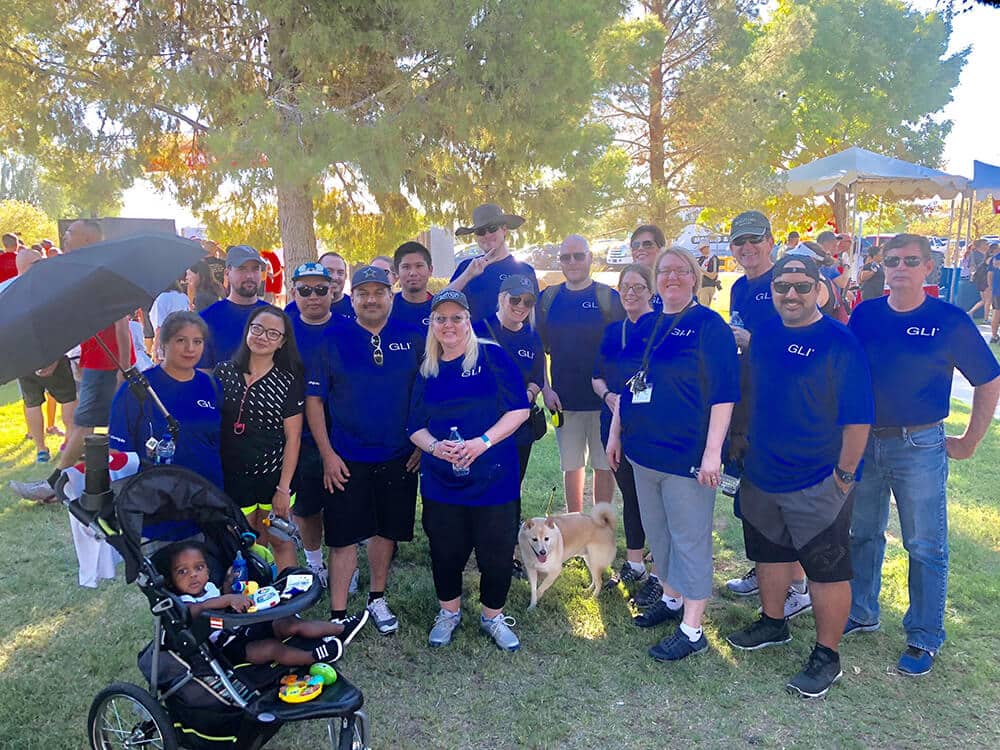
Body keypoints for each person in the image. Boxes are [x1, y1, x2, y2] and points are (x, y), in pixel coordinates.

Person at [847, 233, 1000, 676]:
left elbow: (988, 381)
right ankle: (862, 611)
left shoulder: (948, 319)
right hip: (867, 442)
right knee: (863, 533)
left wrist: (970, 440)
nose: (899, 268)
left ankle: (924, 635)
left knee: (924, 543)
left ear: (928, 268)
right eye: (891, 260)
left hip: (920, 445)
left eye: (910, 261)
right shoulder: (866, 314)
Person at [724, 255, 873, 698]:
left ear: (820, 290)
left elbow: (858, 419)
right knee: (767, 553)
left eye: (802, 286)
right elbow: (751, 389)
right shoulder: (765, 334)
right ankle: (773, 623)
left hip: (818, 480)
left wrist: (844, 477)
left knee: (827, 569)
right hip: (763, 474)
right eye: (782, 286)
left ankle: (828, 655)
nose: (791, 294)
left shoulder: (839, 342)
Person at [606, 247, 739, 661]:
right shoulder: (650, 323)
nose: (672, 278)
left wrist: (713, 452)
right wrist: (615, 432)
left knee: (689, 538)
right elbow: (632, 384)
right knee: (658, 534)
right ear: (656, 278)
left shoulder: (708, 326)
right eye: (665, 271)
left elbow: (723, 393)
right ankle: (671, 598)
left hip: (687, 456)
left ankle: (693, 628)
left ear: (695, 279)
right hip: (643, 452)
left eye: (682, 271)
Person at [407, 290, 529, 650]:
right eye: (440, 318)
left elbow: (518, 409)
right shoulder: (427, 367)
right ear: (432, 324)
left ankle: (493, 616)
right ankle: (449, 612)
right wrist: (435, 447)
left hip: (494, 477)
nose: (449, 325)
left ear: (468, 321)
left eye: (456, 317)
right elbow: (414, 425)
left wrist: (482, 443)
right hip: (443, 480)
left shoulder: (491, 355)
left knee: (495, 550)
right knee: (445, 549)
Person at [305, 266, 425, 633]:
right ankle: (338, 615)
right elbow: (313, 401)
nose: (371, 299)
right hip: (345, 458)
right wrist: (327, 454)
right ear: (351, 297)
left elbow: (427, 392)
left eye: (379, 292)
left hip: (399, 456)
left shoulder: (413, 336)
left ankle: (377, 598)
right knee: (341, 537)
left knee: (384, 532)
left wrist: (421, 441)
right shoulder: (332, 338)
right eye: (363, 293)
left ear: (392, 295)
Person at [11, 220, 138, 503]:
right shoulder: (85, 271)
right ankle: (103, 478)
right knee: (102, 424)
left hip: (109, 364)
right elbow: (74, 324)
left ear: (88, 239)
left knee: (84, 425)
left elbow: (121, 324)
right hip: (98, 362)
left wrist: (123, 368)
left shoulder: (102, 273)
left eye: (71, 233)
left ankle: (54, 485)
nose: (65, 236)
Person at [724, 211, 812, 619]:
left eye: (754, 240)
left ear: (771, 239)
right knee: (750, 496)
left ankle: (797, 584)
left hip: (782, 405)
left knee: (780, 500)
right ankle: (764, 570)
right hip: (746, 404)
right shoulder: (740, 287)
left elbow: (802, 341)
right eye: (739, 242)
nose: (747, 248)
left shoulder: (787, 280)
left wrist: (751, 341)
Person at [165, 541, 366, 667]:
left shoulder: (210, 587)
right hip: (228, 647)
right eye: (182, 571)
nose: (193, 575)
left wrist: (228, 586)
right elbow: (198, 610)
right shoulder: (184, 601)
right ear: (172, 580)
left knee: (287, 623)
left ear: (207, 571)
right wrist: (227, 599)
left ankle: (341, 628)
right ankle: (315, 657)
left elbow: (223, 601)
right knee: (273, 648)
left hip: (245, 625)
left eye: (198, 568)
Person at [537, 235, 624, 513]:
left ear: (590, 259)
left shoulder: (609, 298)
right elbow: (538, 349)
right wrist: (546, 389)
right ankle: (575, 523)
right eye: (566, 257)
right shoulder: (548, 299)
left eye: (578, 256)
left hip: (603, 402)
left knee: (603, 465)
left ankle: (600, 527)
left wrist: (615, 396)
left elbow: (623, 348)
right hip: (563, 400)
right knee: (572, 466)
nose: (572, 262)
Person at [215, 306, 304, 572]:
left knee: (278, 540)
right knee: (242, 543)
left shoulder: (288, 381)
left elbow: (294, 437)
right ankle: (249, 603)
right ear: (247, 330)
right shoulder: (224, 372)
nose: (263, 337)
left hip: (273, 477)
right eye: (257, 329)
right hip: (233, 477)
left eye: (273, 333)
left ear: (282, 342)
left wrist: (283, 488)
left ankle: (288, 605)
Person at [592, 263, 658, 585]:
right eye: (625, 287)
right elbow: (596, 376)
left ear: (651, 291)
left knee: (654, 498)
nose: (630, 293)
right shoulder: (612, 330)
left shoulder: (660, 327)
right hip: (613, 424)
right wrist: (608, 397)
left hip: (648, 427)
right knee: (630, 494)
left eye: (638, 287)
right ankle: (634, 564)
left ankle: (661, 565)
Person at [109, 311, 223, 487]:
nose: (190, 348)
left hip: (208, 494)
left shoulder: (212, 385)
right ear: (164, 343)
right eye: (181, 340)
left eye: (197, 342)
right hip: (155, 496)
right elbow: (117, 452)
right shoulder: (136, 389)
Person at [287, 262, 341, 589]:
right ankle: (315, 564)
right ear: (294, 293)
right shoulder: (283, 330)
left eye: (320, 289)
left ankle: (342, 562)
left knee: (342, 505)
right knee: (306, 506)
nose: (313, 297)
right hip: (299, 436)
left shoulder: (350, 327)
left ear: (332, 291)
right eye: (304, 290)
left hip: (345, 432)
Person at [473, 274, 544, 484]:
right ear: (502, 298)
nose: (521, 306)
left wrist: (527, 395)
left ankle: (511, 517)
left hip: (518, 428)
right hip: (482, 424)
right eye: (515, 299)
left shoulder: (532, 336)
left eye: (528, 301)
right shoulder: (478, 330)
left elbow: (538, 378)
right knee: (482, 484)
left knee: (512, 484)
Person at [14, 249, 78, 465]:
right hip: (50, 354)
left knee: (32, 402)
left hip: (23, 359)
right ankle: (69, 441)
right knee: (68, 398)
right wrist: (53, 359)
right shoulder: (45, 290)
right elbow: (59, 327)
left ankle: (41, 449)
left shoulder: (9, 293)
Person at [447, 203, 538, 323]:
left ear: (504, 230)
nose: (487, 235)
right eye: (480, 231)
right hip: (474, 340)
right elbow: (442, 303)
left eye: (492, 228)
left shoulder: (524, 270)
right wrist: (468, 275)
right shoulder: (467, 267)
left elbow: (534, 317)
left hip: (512, 341)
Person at [197, 245, 268, 368]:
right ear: (227, 273)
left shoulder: (275, 317)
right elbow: (202, 373)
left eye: (255, 269)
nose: (250, 275)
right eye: (242, 269)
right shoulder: (207, 318)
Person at [285, 251, 355, 321]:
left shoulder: (355, 307)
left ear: (345, 276)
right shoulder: (292, 309)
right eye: (329, 271)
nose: (335, 277)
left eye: (340, 273)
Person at [390, 241, 434, 330]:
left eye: (419, 266)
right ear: (397, 272)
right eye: (406, 267)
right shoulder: (387, 309)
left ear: (430, 270)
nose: (413, 273)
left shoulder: (440, 309)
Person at [150, 280, 191, 362]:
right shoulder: (184, 297)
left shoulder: (162, 298)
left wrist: (155, 349)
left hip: (167, 343)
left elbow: (160, 327)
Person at [628, 225, 665, 310]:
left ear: (661, 250)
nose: (640, 248)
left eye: (647, 244)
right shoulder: (626, 286)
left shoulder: (671, 282)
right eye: (635, 245)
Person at [967, 239, 992, 319]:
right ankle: (985, 318)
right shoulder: (975, 255)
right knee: (988, 299)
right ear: (981, 245)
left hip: (983, 278)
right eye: (986, 244)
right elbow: (972, 266)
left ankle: (971, 312)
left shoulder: (985, 254)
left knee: (985, 300)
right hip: (983, 279)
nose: (988, 245)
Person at [695, 240, 720, 307]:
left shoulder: (713, 259)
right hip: (699, 287)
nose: (701, 251)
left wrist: (701, 271)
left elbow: (713, 276)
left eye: (702, 249)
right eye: (700, 249)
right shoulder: (701, 259)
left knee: (703, 309)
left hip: (707, 286)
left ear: (707, 247)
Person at [988, 243, 1000, 343]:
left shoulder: (994, 259)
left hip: (997, 289)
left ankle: (994, 335)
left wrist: (991, 287)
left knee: (996, 312)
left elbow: (990, 274)